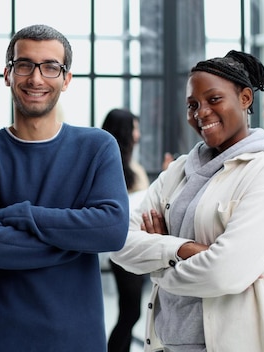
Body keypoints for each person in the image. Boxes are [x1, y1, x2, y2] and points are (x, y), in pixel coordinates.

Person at [0, 24, 130, 351]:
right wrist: (78, 238)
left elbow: (111, 230)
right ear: (8, 74)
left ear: (66, 79)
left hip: (79, 340)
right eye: (24, 65)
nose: (36, 78)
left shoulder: (97, 147)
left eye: (51, 67)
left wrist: (23, 215)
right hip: (0, 341)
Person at [110, 50, 264, 351]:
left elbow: (224, 274)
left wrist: (157, 267)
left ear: (245, 98)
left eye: (214, 99)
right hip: (164, 342)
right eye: (192, 104)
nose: (201, 112)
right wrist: (181, 248)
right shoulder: (179, 170)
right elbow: (118, 240)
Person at [102, 108, 150, 352]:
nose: (138, 134)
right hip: (124, 248)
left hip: (140, 246)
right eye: (135, 128)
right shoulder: (113, 170)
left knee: (131, 312)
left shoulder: (133, 167)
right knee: (131, 313)